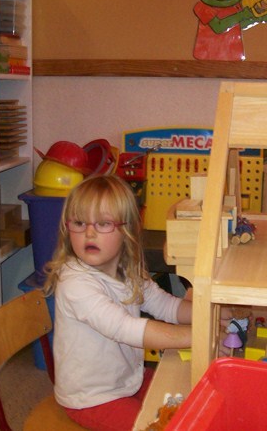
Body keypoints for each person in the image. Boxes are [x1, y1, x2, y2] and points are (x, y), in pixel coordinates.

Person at [43, 174, 192, 431]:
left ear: (127, 230)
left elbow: (166, 306)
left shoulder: (127, 270)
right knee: (156, 427)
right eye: (79, 222)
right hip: (92, 399)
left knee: (186, 399)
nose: (89, 232)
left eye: (103, 223)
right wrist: (197, 336)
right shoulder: (75, 283)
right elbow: (126, 329)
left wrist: (207, 315)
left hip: (128, 380)